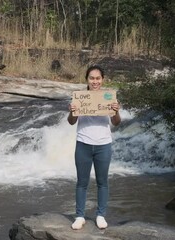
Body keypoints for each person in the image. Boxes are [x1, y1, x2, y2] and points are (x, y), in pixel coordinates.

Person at [68, 65, 121, 230]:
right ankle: (79, 216)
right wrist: (72, 111)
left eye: (98, 78)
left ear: (102, 80)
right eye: (92, 78)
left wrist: (116, 111)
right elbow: (71, 122)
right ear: (87, 80)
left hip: (103, 145)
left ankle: (100, 215)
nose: (95, 81)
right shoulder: (79, 97)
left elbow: (116, 122)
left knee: (102, 182)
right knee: (81, 183)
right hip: (83, 143)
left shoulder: (108, 98)